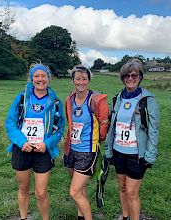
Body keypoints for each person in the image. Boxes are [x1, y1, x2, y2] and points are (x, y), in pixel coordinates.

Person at [5, 62, 65, 220]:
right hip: (22, 148)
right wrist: (21, 141)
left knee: (41, 193)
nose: (40, 79)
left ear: (48, 79)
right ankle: (23, 217)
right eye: (36, 76)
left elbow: (59, 128)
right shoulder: (22, 98)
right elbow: (10, 123)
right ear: (31, 79)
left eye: (43, 76)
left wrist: (47, 144)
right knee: (23, 188)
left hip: (43, 150)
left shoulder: (55, 102)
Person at [105, 58, 160, 220]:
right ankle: (125, 216)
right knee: (122, 188)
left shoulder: (148, 99)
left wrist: (150, 154)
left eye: (134, 75)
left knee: (132, 191)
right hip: (118, 150)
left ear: (140, 77)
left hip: (137, 154)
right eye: (126, 76)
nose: (130, 79)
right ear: (122, 78)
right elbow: (112, 127)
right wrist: (108, 150)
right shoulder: (118, 99)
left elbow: (154, 130)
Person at [63, 64, 109, 220]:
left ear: (89, 80)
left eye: (84, 79)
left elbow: (104, 126)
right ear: (73, 80)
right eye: (77, 79)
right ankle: (80, 216)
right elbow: (70, 122)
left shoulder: (95, 100)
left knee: (74, 192)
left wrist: (97, 142)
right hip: (71, 150)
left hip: (87, 152)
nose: (81, 82)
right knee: (80, 190)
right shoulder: (69, 100)